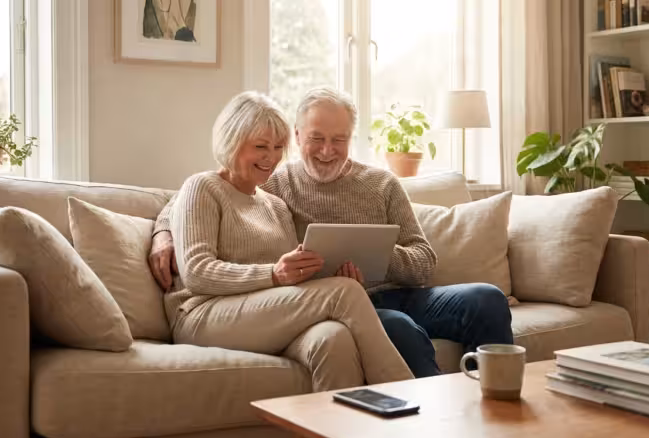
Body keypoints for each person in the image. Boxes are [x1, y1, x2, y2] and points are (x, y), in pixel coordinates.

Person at [152, 87, 513, 378]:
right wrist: (163, 233)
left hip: (395, 292)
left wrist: (378, 253)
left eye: (338, 140)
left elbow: (423, 264)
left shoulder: (381, 184)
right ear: (299, 136)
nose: (327, 151)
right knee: (396, 326)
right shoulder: (276, 184)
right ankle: (432, 410)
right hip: (334, 302)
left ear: (351, 138)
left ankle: (497, 400)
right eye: (316, 138)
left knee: (486, 297)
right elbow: (195, 197)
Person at [163, 90, 413, 391]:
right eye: (260, 146)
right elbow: (197, 273)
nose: (271, 158)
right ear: (231, 142)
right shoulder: (203, 187)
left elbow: (287, 282)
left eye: (278, 147)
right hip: (203, 315)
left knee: (333, 339)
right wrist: (273, 274)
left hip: (262, 316)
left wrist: (308, 270)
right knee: (343, 293)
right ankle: (408, 399)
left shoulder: (276, 205)